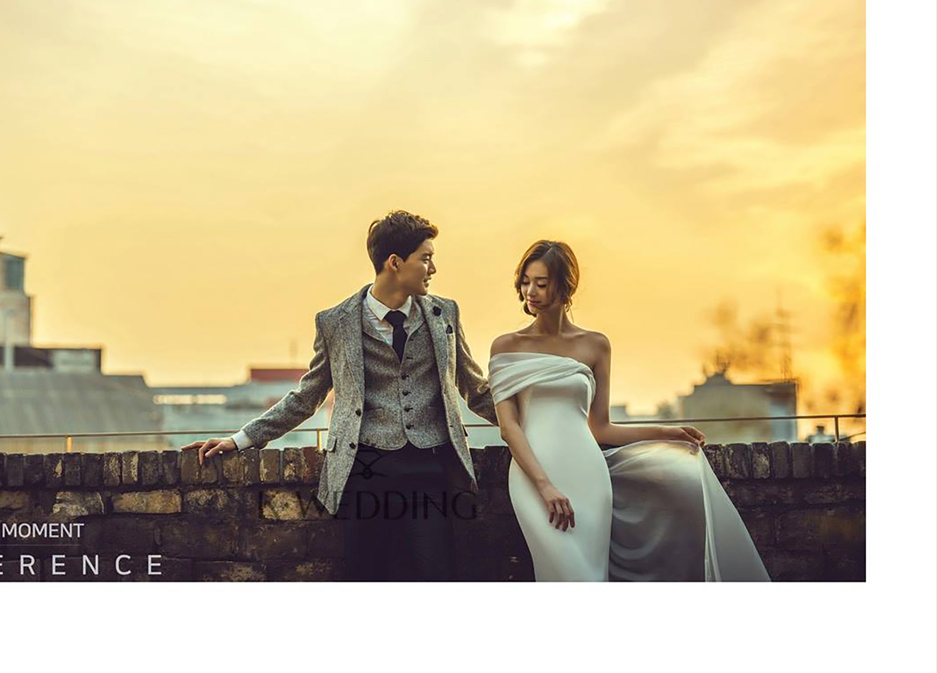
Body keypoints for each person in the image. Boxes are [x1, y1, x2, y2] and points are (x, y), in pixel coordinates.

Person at [183, 211, 498, 581]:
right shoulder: (335, 322)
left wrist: (531, 429)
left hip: (430, 469)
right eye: (425, 258)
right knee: (367, 576)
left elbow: (475, 387)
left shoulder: (445, 313)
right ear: (395, 262)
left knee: (435, 575)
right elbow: (307, 396)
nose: (433, 268)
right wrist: (241, 439)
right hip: (364, 471)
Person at [489, 239, 770, 582]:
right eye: (525, 282)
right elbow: (509, 428)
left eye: (541, 283)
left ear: (565, 286)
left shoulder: (595, 345)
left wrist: (667, 432)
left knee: (592, 577)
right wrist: (545, 486)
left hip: (588, 476)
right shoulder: (506, 347)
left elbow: (601, 429)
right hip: (534, 478)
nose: (530, 292)